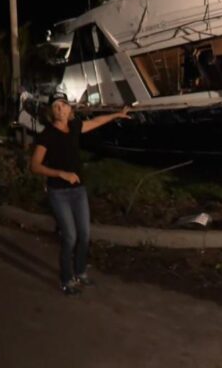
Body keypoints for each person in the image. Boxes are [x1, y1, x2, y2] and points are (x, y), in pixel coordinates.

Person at [31, 91, 131, 295]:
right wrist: (61, 173)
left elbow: (95, 122)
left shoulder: (75, 127)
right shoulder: (47, 135)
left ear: (70, 109)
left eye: (63, 105)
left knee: (84, 235)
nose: (60, 109)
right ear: (51, 111)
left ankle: (80, 271)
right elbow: (35, 166)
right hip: (59, 193)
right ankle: (67, 280)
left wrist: (116, 115)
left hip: (78, 191)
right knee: (70, 237)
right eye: (56, 107)